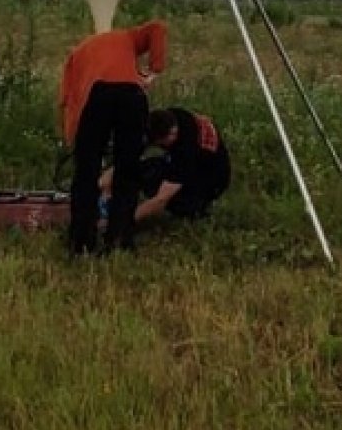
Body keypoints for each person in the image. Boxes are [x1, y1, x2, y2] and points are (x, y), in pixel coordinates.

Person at [60, 19, 167, 254]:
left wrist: (73, 137)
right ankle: (120, 239)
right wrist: (153, 72)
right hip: (132, 96)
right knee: (128, 170)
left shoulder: (77, 54)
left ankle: (81, 242)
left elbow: (70, 99)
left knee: (86, 173)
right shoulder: (126, 36)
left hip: (98, 96)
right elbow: (157, 27)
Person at [133, 106, 231, 227]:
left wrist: (124, 220)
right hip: (197, 163)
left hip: (212, 180)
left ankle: (195, 209)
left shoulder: (185, 152)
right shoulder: (172, 116)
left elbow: (161, 200)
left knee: (154, 182)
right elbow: (130, 157)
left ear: (169, 135)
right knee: (145, 168)